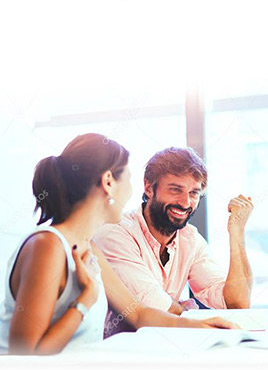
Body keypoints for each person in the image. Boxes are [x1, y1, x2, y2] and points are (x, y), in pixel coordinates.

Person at [0, 135, 237, 355]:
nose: (131, 192)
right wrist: (84, 301)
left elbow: (138, 313)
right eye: (129, 180)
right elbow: (25, 354)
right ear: (109, 182)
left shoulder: (89, 249)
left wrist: (197, 325)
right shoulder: (48, 245)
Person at [94, 146, 253, 331]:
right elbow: (154, 309)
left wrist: (237, 231)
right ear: (148, 187)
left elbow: (236, 303)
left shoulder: (190, 239)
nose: (185, 203)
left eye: (193, 193)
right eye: (175, 190)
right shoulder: (117, 232)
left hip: (168, 348)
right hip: (120, 352)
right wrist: (185, 311)